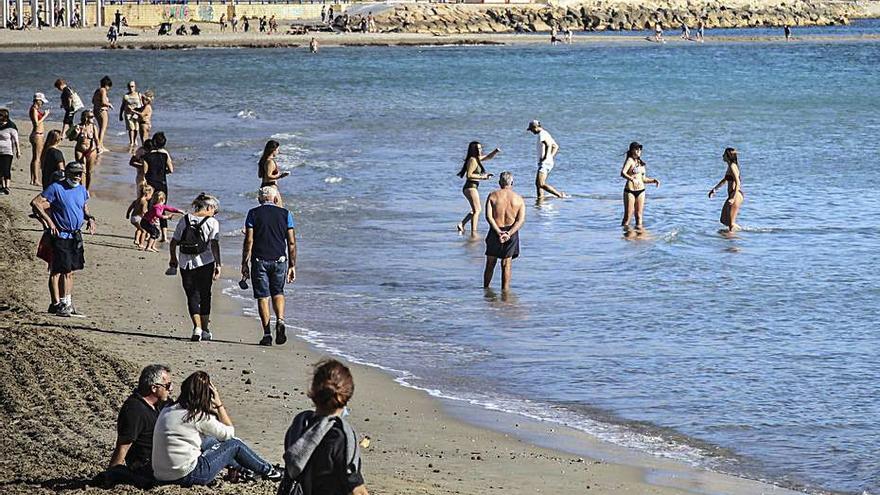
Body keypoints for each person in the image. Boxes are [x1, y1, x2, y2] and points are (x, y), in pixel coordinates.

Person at [152, 371, 282, 486]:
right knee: (234, 445)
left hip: (160, 475)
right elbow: (229, 434)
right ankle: (270, 471)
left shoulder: (167, 409)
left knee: (208, 441)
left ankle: (244, 469)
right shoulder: (197, 416)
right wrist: (219, 405)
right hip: (187, 475)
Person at [281, 359, 369, 495]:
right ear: (347, 393)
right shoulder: (340, 435)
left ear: (314, 392)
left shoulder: (300, 423)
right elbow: (355, 488)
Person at [30, 161, 95, 316]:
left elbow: (84, 209)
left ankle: (67, 303)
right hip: (60, 235)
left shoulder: (82, 190)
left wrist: (90, 219)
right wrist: (49, 222)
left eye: (80, 174)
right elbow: (36, 203)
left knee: (71, 270)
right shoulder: (56, 187)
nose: (78, 176)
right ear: (67, 173)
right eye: (75, 173)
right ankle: (58, 304)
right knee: (59, 270)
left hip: (75, 236)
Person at [97, 364, 173, 488]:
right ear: (154, 388)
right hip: (147, 468)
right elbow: (122, 447)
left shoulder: (162, 404)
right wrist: (110, 476)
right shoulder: (134, 410)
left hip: (164, 461)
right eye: (168, 386)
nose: (171, 389)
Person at [241, 186, 297, 346]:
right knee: (278, 292)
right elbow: (291, 242)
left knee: (262, 296)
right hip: (280, 259)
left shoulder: (253, 213)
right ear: (275, 198)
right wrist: (292, 264)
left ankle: (267, 334)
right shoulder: (286, 214)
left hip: (260, 259)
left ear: (260, 199)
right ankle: (280, 319)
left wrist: (245, 261)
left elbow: (249, 240)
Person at [169, 193, 221, 342]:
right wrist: (218, 264)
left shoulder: (184, 220)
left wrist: (173, 258)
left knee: (192, 295)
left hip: (186, 263)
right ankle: (205, 329)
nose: (214, 213)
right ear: (209, 207)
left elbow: (174, 242)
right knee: (205, 295)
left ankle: (197, 328)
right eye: (214, 210)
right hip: (206, 262)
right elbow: (214, 244)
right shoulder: (212, 222)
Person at [483, 172, 525, 292]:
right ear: (512, 183)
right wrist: (508, 234)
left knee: (490, 263)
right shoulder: (519, 199)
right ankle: (505, 293)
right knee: (506, 265)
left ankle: (486, 290)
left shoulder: (492, 196)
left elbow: (488, 217)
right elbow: (520, 221)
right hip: (510, 232)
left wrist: (498, 232)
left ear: (500, 183)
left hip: (495, 230)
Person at [456, 141, 499, 235]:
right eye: (478, 148)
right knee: (477, 210)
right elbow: (469, 175)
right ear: (474, 150)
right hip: (470, 187)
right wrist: (483, 177)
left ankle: (462, 224)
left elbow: (488, 157)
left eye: (481, 148)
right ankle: (474, 232)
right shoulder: (472, 160)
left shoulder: (477, 159)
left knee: (476, 209)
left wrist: (495, 152)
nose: (481, 150)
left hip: (472, 187)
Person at [619, 141, 660, 228]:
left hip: (641, 191)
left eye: (640, 149)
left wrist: (653, 180)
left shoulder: (641, 164)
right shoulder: (630, 161)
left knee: (639, 216)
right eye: (636, 149)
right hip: (630, 191)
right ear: (632, 150)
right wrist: (631, 179)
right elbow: (622, 173)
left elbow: (643, 179)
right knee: (627, 217)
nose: (638, 151)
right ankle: (624, 236)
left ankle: (639, 235)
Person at [143, 132, 174, 240]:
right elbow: (171, 170)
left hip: (151, 184)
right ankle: (164, 236)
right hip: (162, 183)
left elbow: (144, 171)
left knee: (150, 209)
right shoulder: (165, 155)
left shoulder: (147, 156)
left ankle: (149, 233)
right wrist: (163, 173)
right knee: (162, 208)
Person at [527, 120, 566, 200]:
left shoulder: (542, 135)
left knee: (540, 183)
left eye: (531, 129)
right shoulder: (546, 133)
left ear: (535, 127)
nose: (531, 131)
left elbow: (548, 145)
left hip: (544, 163)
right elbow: (555, 146)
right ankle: (540, 200)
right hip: (546, 162)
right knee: (538, 184)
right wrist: (550, 157)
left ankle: (559, 195)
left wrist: (545, 158)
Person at [708, 147, 744, 232]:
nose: (722, 156)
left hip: (736, 195)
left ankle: (732, 243)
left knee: (731, 224)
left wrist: (733, 198)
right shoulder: (729, 166)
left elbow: (738, 182)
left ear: (728, 156)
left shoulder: (732, 166)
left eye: (724, 154)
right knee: (723, 220)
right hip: (732, 195)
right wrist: (714, 189)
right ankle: (738, 230)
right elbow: (725, 180)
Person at [74, 110, 98, 191]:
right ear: (86, 117)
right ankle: (81, 187)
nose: (93, 118)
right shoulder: (78, 126)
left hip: (91, 150)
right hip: (80, 149)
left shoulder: (93, 127)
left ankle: (87, 190)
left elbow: (97, 139)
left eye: (93, 116)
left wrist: (98, 148)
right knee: (81, 169)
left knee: (89, 171)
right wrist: (77, 133)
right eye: (91, 117)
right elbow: (71, 138)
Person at [29, 92, 50, 186]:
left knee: (35, 157)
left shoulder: (36, 109)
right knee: (37, 158)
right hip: (37, 134)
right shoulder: (33, 109)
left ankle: (33, 179)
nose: (42, 104)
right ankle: (36, 179)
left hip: (38, 134)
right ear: (38, 100)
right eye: (42, 102)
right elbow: (36, 123)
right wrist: (45, 116)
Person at [126, 182, 153, 249]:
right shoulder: (144, 202)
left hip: (133, 218)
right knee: (144, 231)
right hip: (138, 218)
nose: (151, 197)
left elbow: (131, 207)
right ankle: (141, 244)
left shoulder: (137, 200)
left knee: (139, 229)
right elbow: (144, 211)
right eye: (151, 195)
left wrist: (128, 214)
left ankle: (136, 240)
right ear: (147, 194)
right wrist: (148, 217)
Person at [0, 108, 20, 195]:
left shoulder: (11, 127)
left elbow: (16, 140)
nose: (1, 123)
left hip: (7, 151)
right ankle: (3, 187)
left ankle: (7, 186)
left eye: (2, 121)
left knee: (6, 169)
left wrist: (18, 151)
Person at [92, 76, 113, 153]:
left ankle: (101, 145)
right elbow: (104, 102)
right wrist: (109, 104)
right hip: (102, 111)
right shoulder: (103, 90)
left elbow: (93, 101)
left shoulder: (97, 90)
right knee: (103, 129)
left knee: (100, 128)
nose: (109, 88)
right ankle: (99, 146)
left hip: (96, 110)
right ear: (107, 85)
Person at [120, 81, 143, 150]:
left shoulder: (139, 95)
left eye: (132, 86)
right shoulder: (126, 96)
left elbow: (142, 104)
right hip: (128, 114)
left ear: (135, 87)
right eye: (129, 86)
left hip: (136, 114)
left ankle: (135, 139)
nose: (131, 88)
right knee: (131, 128)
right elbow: (122, 106)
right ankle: (131, 141)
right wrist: (120, 115)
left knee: (136, 128)